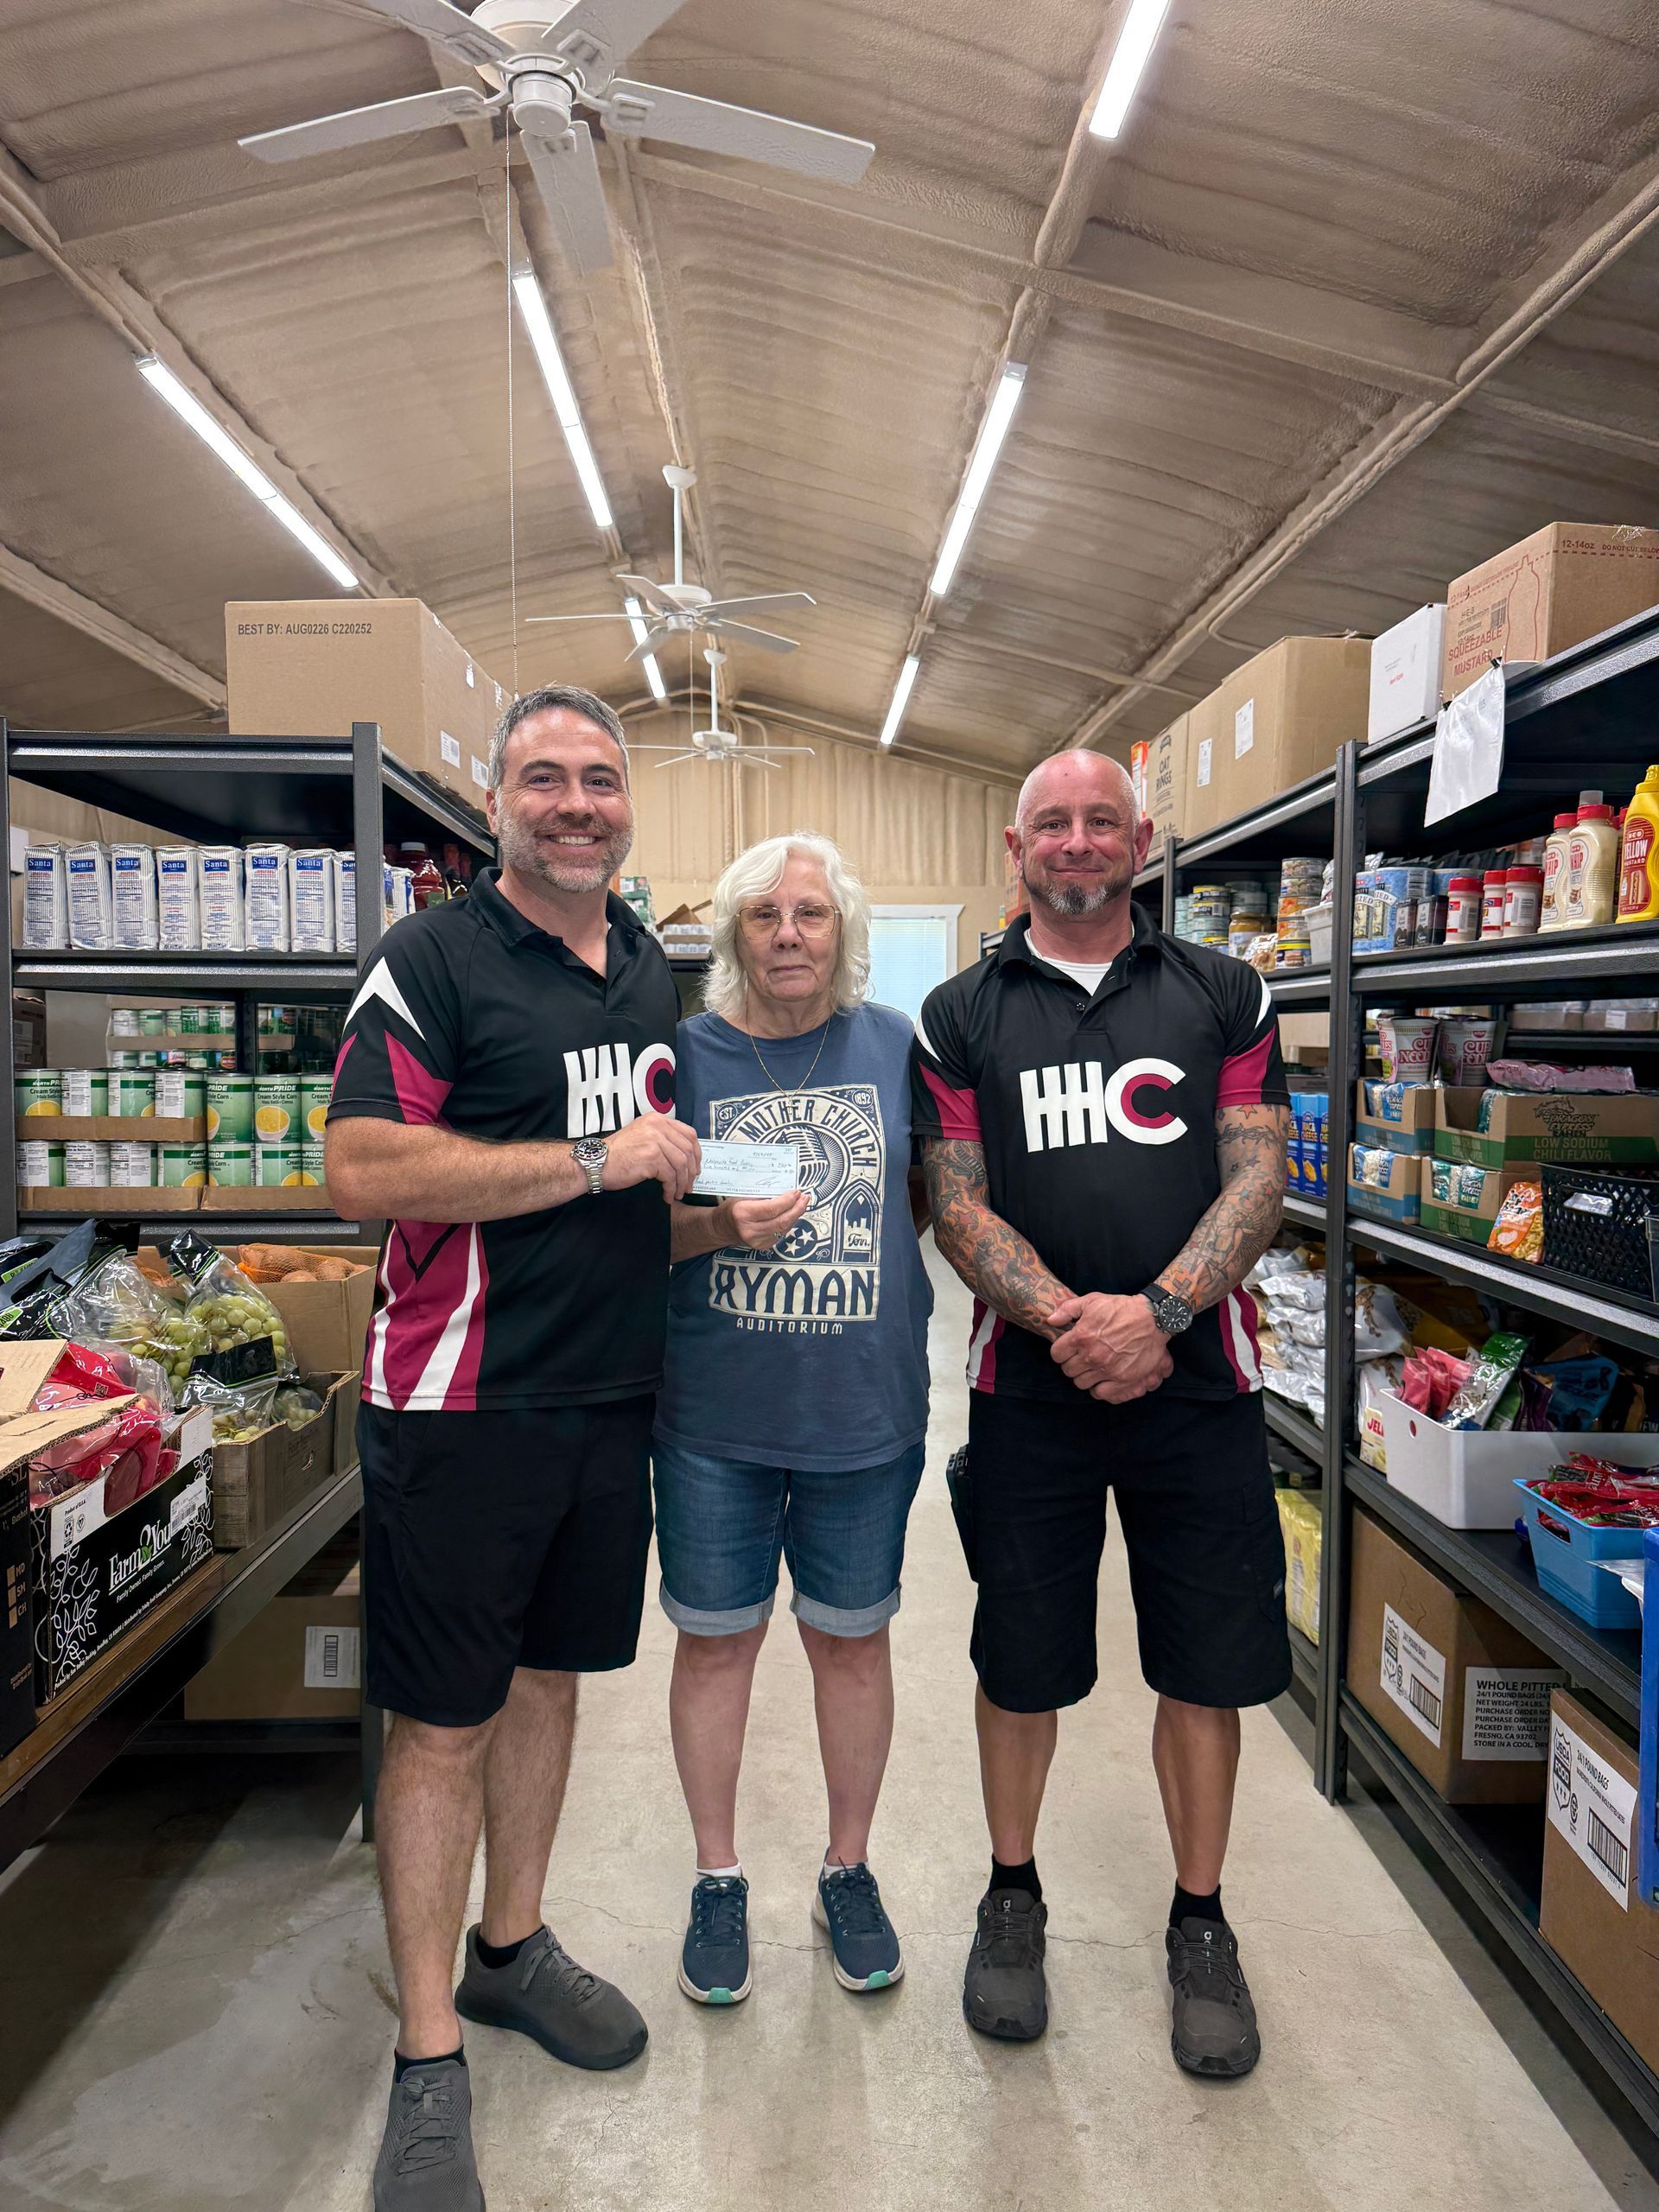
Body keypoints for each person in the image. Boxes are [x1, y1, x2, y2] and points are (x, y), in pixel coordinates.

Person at [325, 684, 700, 2212]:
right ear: (494, 807)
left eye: (599, 780)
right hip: (460, 1407)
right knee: (443, 1725)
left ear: (625, 805)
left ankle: (510, 1947)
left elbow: (629, 1199)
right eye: (542, 780)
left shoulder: (650, 969)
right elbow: (359, 1168)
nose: (575, 805)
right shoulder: (429, 960)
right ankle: (427, 2058)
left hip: (610, 1403)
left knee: (550, 1684)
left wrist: (705, 1213)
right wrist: (598, 1160)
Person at [910, 748, 1291, 2079]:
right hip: (1030, 1390)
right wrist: (1071, 1321)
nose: (1078, 843)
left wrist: (1164, 1313)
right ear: (1016, 845)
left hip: (1201, 1387)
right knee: (1021, 1665)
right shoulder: (959, 1011)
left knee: (1206, 1665)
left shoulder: (1226, 991)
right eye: (1053, 824)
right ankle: (1011, 1895)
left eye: (1101, 822)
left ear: (1140, 839)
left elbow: (1259, 1174)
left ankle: (1201, 1922)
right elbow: (950, 1198)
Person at [654, 831, 932, 2007]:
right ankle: (719, 1878)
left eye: (810, 914)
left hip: (861, 1416)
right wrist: (722, 1230)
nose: (787, 936)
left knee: (851, 1642)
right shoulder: (685, 1056)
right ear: (730, 935)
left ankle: (847, 1868)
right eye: (763, 915)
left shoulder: (894, 1048)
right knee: (717, 1644)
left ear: (843, 932)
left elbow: (937, 1209)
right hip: (714, 1415)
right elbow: (633, 1242)